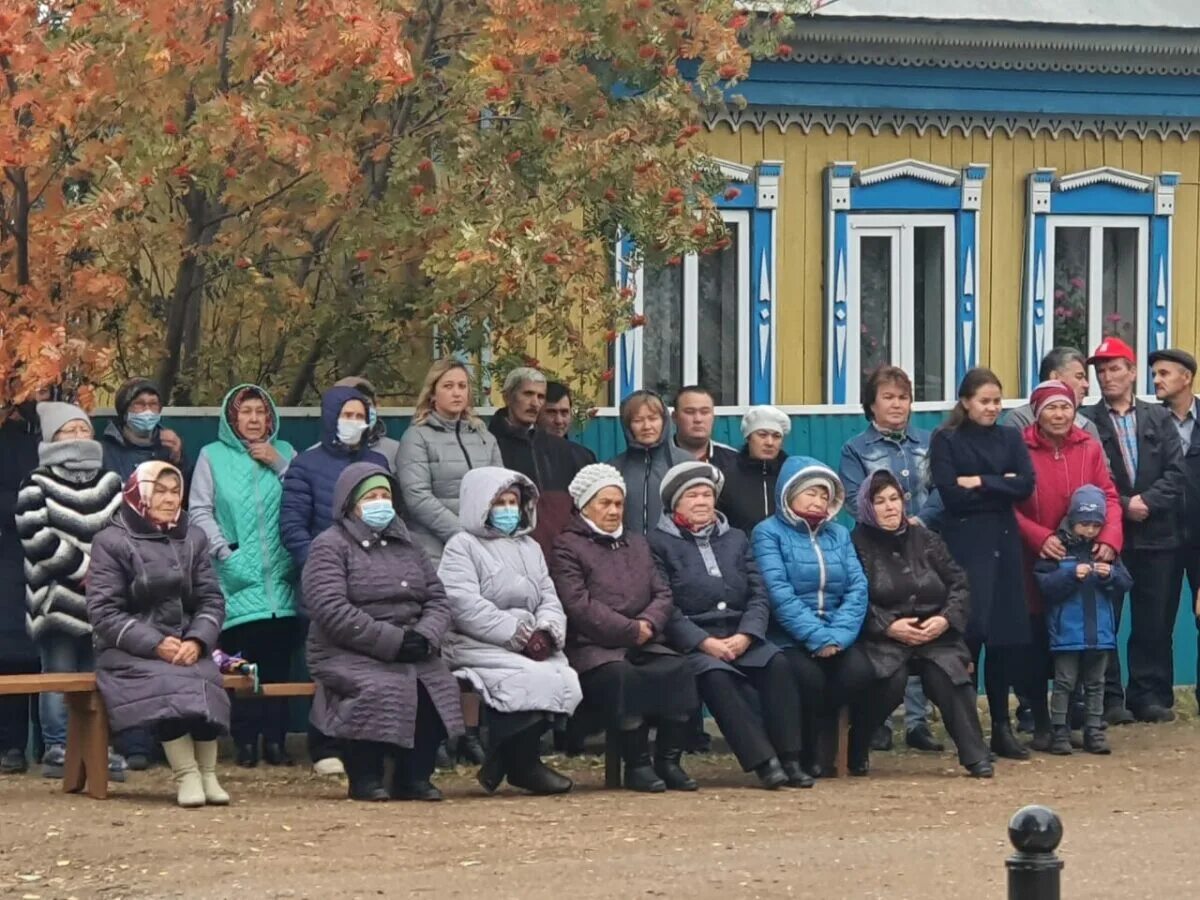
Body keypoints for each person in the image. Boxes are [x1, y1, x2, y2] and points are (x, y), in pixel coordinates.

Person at [302, 464, 465, 801]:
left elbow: (437, 597)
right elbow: (330, 608)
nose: (381, 503)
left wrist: (426, 636)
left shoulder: (409, 543)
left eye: (385, 496)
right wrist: (391, 642)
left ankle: (414, 776)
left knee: (438, 685)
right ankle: (365, 776)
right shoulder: (329, 546)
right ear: (351, 504)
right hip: (349, 649)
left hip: (413, 644)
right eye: (371, 497)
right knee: (379, 686)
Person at [648, 462, 811, 790]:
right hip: (694, 641)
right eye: (692, 495)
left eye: (707, 494)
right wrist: (702, 642)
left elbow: (758, 593)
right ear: (674, 503)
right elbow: (665, 604)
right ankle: (765, 762)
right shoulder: (657, 543)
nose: (702, 501)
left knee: (778, 664)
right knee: (716, 676)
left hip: (740, 634)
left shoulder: (736, 538)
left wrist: (748, 634)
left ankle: (791, 758)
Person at [87, 462, 231, 808]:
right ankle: (186, 774)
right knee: (168, 682)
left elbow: (211, 598)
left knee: (206, 676)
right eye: (161, 491)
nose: (170, 499)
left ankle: (209, 773)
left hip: (186, 643)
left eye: (175, 491)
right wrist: (154, 643)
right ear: (141, 493)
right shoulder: (111, 540)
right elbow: (104, 612)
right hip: (129, 649)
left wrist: (197, 640)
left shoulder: (193, 537)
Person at [550, 464, 700, 792]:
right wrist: (630, 630)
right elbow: (578, 605)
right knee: (621, 677)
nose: (614, 511)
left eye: (618, 504)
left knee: (678, 668)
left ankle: (669, 760)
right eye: (604, 503)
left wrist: (647, 624)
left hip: (645, 639)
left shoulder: (637, 543)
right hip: (594, 646)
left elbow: (662, 592)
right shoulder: (567, 546)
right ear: (584, 505)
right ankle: (637, 764)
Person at [437, 466, 582, 795]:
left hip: (531, 640)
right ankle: (522, 764)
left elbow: (548, 595)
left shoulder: (529, 547)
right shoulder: (462, 546)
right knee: (525, 677)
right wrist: (518, 634)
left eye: (512, 501)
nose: (507, 509)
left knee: (564, 677)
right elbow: (463, 604)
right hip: (475, 641)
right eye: (498, 502)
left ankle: (506, 761)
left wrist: (546, 632)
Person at [850, 470, 994, 778]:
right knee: (889, 681)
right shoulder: (855, 545)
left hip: (935, 634)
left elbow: (959, 584)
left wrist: (944, 620)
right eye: (879, 501)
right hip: (883, 638)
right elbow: (854, 597)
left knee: (948, 675)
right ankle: (857, 745)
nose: (890, 507)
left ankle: (975, 755)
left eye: (894, 499)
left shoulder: (926, 538)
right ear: (866, 506)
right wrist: (888, 626)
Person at [280, 384, 388, 776]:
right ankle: (324, 743)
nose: (354, 423)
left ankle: (365, 743)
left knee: (372, 663)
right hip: (325, 582)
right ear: (330, 417)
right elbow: (292, 526)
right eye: (348, 415)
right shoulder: (305, 466)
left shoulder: (378, 461)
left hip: (374, 580)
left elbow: (392, 517)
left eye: (361, 416)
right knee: (330, 665)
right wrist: (322, 566)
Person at [189, 384, 298, 768]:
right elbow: (199, 511)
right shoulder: (212, 456)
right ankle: (246, 741)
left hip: (282, 584)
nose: (254, 419)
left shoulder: (285, 453)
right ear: (232, 417)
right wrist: (225, 553)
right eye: (245, 412)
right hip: (235, 580)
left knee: (279, 666)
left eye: (260, 412)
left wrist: (278, 464)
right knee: (241, 665)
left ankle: (277, 741)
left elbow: (303, 499)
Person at [15, 402, 126, 781]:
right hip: (55, 599)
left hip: (104, 601)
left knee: (99, 677)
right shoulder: (35, 484)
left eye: (84, 429)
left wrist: (105, 574)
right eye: (69, 430)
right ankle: (59, 747)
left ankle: (98, 746)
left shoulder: (111, 482)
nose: (79, 436)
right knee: (58, 675)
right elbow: (36, 538)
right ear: (52, 437)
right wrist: (85, 569)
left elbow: (123, 534)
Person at [929, 367, 1035, 760]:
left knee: (1005, 639)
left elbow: (1024, 485)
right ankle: (968, 731)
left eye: (996, 401)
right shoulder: (947, 439)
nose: (992, 408)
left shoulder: (1010, 436)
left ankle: (1002, 729)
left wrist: (980, 482)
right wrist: (998, 482)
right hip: (966, 545)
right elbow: (951, 496)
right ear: (966, 402)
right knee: (970, 635)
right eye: (984, 401)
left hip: (1005, 544)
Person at [838, 365, 944, 754]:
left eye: (903, 397)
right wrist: (886, 520)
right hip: (876, 549)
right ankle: (879, 720)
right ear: (871, 404)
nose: (897, 404)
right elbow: (852, 496)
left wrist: (918, 520)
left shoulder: (928, 442)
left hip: (922, 544)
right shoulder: (856, 449)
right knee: (885, 630)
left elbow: (940, 489)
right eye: (888, 397)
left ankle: (918, 723)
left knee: (921, 622)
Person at [1080, 337, 1186, 723]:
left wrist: (1148, 502)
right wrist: (1125, 505)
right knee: (1106, 619)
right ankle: (1109, 698)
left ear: (1131, 371)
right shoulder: (1088, 420)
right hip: (1112, 536)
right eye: (1100, 371)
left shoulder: (1158, 417)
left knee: (1154, 620)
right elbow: (1091, 476)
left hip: (1159, 535)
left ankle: (1149, 695)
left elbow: (1178, 471)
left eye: (1114, 368)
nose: (1107, 377)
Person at [1013, 381, 1123, 749]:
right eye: (1051, 408)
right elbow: (1009, 504)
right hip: (1035, 557)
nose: (1060, 415)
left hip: (1083, 556)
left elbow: (1108, 494)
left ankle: (1078, 718)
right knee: (1034, 639)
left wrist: (1109, 538)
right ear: (1036, 412)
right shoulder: (1020, 448)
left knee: (1078, 637)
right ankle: (1038, 717)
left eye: (1066, 407)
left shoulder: (1088, 446)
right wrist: (1038, 536)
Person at [752, 456, 874, 777]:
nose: (818, 500)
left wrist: (837, 636)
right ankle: (805, 752)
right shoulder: (768, 533)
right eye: (810, 493)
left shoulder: (839, 534)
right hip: (788, 636)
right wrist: (816, 637)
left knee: (861, 672)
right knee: (808, 677)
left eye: (824, 494)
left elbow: (858, 587)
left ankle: (825, 743)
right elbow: (777, 592)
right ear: (789, 493)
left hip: (837, 633)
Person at [1033, 485, 1133, 756]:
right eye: (1084, 523)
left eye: (1095, 524)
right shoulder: (1056, 548)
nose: (1089, 530)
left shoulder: (1106, 552)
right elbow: (1044, 584)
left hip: (1100, 633)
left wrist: (1109, 575)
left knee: (1096, 683)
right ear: (1072, 519)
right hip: (1066, 634)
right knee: (1064, 683)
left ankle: (1094, 731)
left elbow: (1126, 583)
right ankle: (1060, 732)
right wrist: (1069, 576)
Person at [398, 360, 504, 566]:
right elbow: (417, 497)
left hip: (485, 544)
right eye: (448, 386)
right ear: (432, 393)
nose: (457, 393)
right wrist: (461, 534)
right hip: (434, 549)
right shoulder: (416, 437)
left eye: (462, 386)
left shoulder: (484, 436)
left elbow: (501, 488)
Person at [1149, 348, 1200, 711]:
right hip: (1160, 533)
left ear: (1187, 377)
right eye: (1154, 374)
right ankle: (1153, 698)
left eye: (1164, 373)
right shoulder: (1149, 420)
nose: (1157, 380)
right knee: (1156, 618)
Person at [489, 368, 585, 555]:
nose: (535, 403)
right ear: (508, 397)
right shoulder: (489, 444)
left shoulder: (560, 448)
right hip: (509, 550)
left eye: (540, 397)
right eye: (528, 394)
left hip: (561, 552)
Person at [0, 398, 42, 775]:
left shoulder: (45, 436)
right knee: (9, 649)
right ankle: (11, 744)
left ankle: (41, 745)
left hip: (43, 557)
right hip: (8, 555)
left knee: (33, 651)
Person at [607, 389, 690, 535]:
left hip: (674, 553)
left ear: (664, 421)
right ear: (628, 426)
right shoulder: (613, 469)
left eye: (653, 418)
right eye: (637, 421)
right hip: (628, 553)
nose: (646, 426)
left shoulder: (684, 464)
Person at [716, 406, 790, 535]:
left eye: (776, 436)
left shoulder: (790, 476)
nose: (770, 442)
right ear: (748, 437)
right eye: (762, 435)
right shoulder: (727, 477)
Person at [100, 377, 190, 482]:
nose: (147, 410)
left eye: (153, 404)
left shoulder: (169, 448)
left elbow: (184, 491)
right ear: (125, 412)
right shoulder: (104, 452)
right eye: (139, 404)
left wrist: (178, 459)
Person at [1005, 347, 1102, 441]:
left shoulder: (1087, 426)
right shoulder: (1020, 419)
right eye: (1079, 377)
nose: (1086, 385)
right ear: (1055, 378)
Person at [332, 377, 402, 475]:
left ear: (376, 406)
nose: (360, 410)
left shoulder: (397, 452)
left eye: (366, 403)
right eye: (348, 404)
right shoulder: (315, 459)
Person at [671, 386, 737, 467]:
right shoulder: (656, 459)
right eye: (690, 412)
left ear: (713, 417)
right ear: (675, 417)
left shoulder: (735, 461)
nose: (698, 419)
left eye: (705, 412)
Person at [538, 381, 597, 469]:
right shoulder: (526, 455)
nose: (559, 421)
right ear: (536, 414)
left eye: (564, 412)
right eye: (551, 412)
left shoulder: (584, 458)